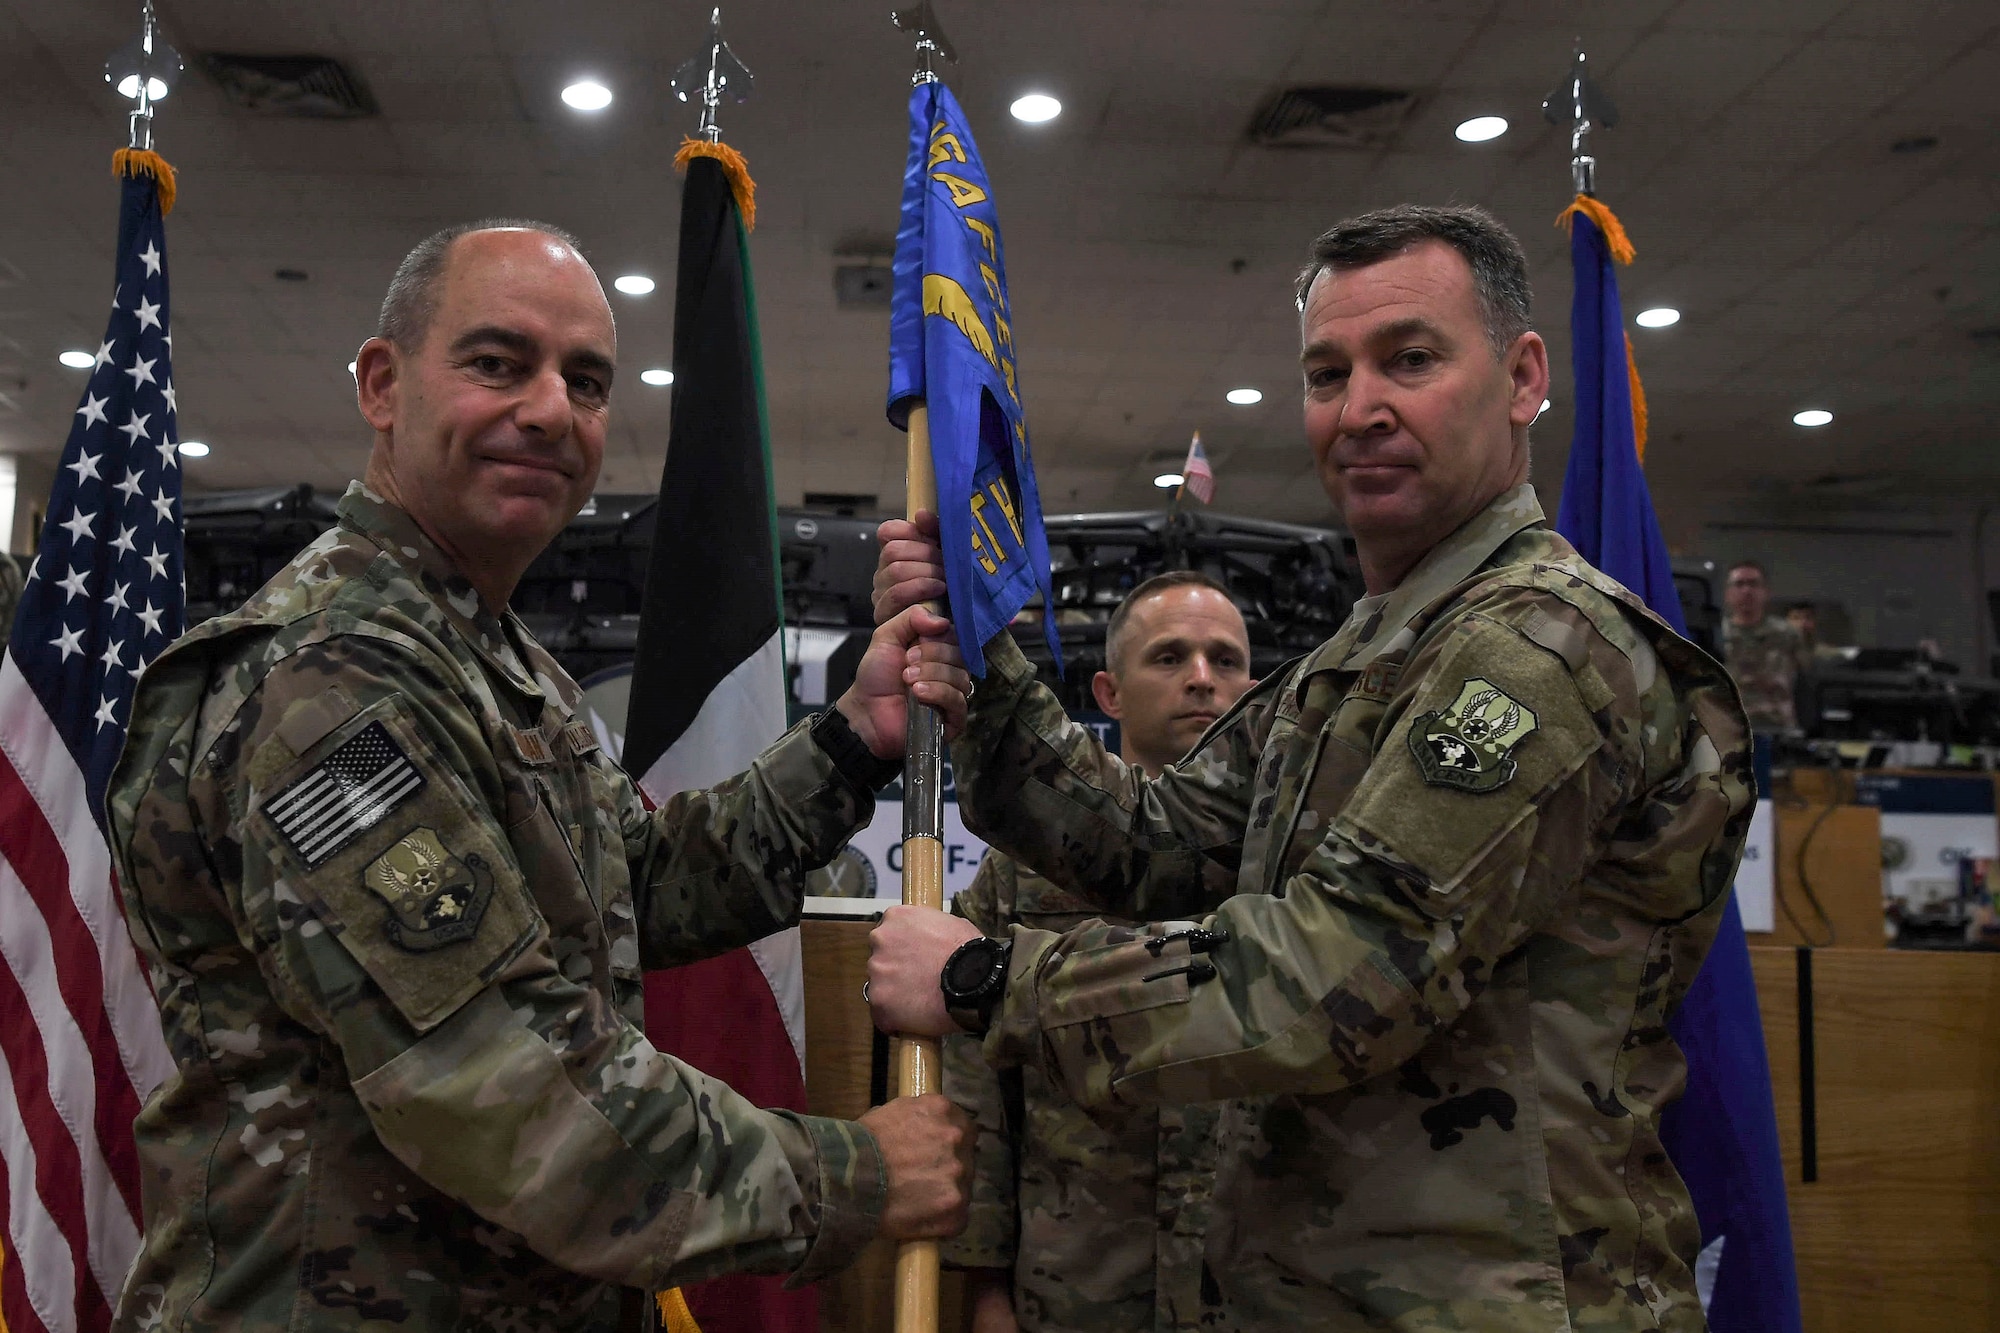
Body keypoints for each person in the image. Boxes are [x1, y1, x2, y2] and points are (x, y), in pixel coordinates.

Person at [865, 204, 1753, 1331]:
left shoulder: (1537, 646)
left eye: (1410, 360)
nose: (1360, 408)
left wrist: (989, 981)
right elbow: (1155, 845)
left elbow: (1340, 976)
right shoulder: (1361, 658)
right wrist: (979, 657)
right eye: (1326, 373)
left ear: (1522, 377)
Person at [105, 221, 975, 1333]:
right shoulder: (327, 681)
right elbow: (509, 1095)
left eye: (586, 380)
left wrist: (854, 735)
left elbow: (635, 886)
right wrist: (855, 1173)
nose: (550, 410)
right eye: (495, 363)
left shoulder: (490, 658)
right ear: (383, 385)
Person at [941, 570, 1257, 1333]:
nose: (1203, 679)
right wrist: (985, 1286)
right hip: (1080, 1274)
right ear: (1109, 693)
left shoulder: (1287, 864)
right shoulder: (1027, 872)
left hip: (1256, 1278)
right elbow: (974, 1089)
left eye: (1226, 660)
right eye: (1170, 656)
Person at [1722, 559, 1812, 730]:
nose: (1747, 590)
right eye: (1739, 584)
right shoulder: (1717, 635)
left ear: (1765, 592)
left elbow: (1806, 683)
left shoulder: (1787, 634)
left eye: (1753, 584)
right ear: (1727, 593)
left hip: (1777, 726)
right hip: (1730, 729)